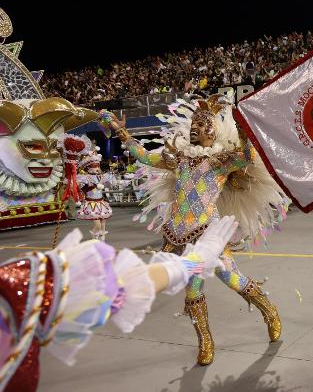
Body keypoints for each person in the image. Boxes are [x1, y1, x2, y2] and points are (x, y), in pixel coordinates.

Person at [99, 92, 287, 365]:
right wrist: (120, 131)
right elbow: (143, 157)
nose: (194, 129)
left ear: (213, 130)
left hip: (207, 234)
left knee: (232, 279)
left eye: (201, 125)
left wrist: (245, 133)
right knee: (193, 291)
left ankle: (269, 311)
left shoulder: (221, 161)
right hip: (177, 234)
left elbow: (247, 157)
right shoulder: (179, 160)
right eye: (193, 125)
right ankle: (205, 341)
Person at [0, 216, 238, 391]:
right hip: (183, 240)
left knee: (230, 281)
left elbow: (112, 289)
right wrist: (198, 259)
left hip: (200, 228)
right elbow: (117, 289)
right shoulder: (11, 287)